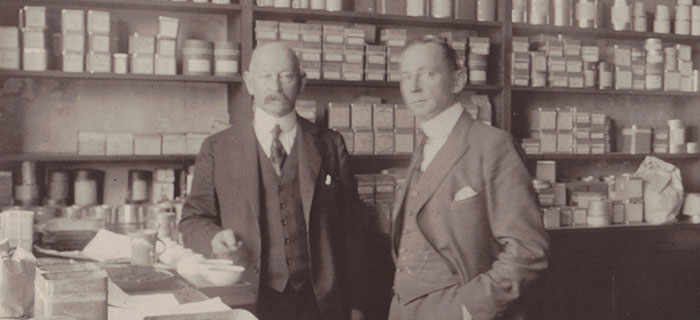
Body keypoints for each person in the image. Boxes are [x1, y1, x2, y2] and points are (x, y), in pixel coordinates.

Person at [178, 42, 367, 320]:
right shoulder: (217, 148)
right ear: (248, 82)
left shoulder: (329, 144)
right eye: (266, 76)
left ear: (301, 83)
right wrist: (214, 238)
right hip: (248, 301)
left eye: (286, 76)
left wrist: (357, 303)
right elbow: (192, 220)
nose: (275, 87)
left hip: (320, 302)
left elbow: (352, 229)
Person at [389, 38, 550, 320]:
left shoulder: (492, 145)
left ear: (458, 80)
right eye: (406, 76)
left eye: (428, 74)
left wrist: (470, 307)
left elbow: (528, 249)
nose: (413, 87)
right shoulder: (423, 146)